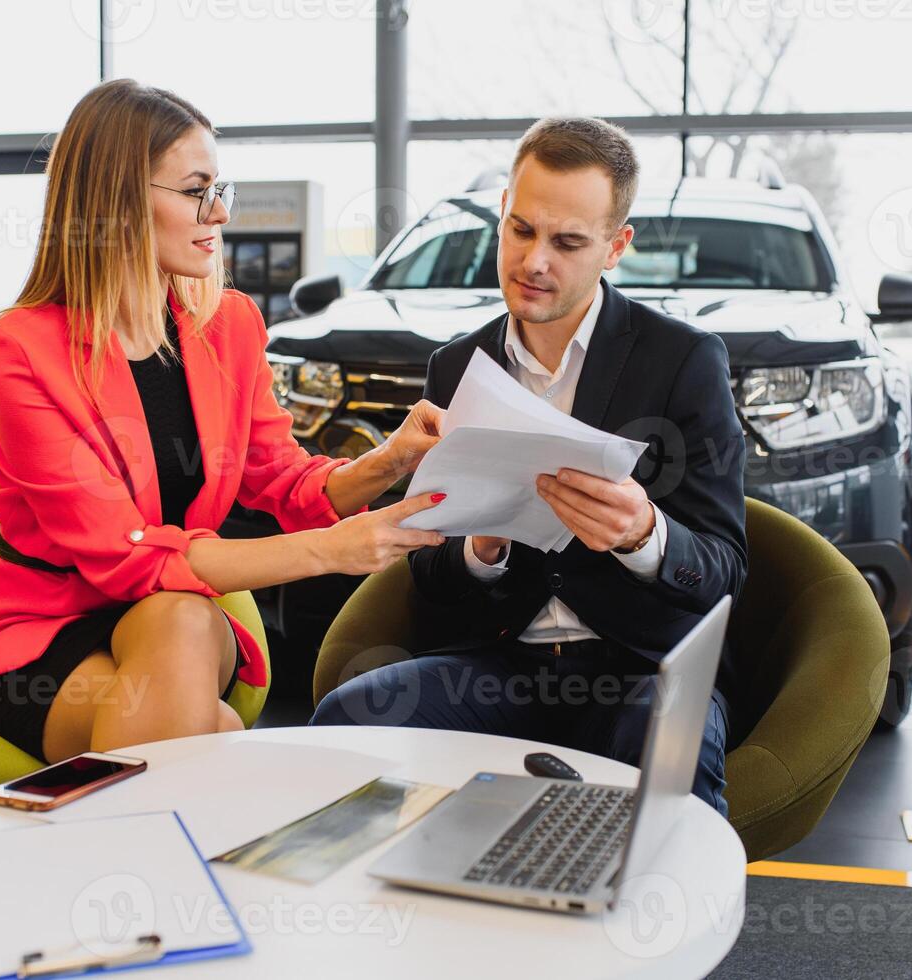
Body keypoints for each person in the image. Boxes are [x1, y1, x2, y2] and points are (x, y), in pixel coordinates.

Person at [0, 79, 447, 764]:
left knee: (177, 629)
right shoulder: (22, 349)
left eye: (219, 188)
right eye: (197, 190)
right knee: (213, 735)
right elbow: (124, 557)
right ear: (115, 202)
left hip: (181, 619)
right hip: (40, 634)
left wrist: (392, 461)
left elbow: (280, 481)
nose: (221, 212)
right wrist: (332, 550)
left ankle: (106, 868)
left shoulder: (227, 325)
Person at [310, 117, 747, 817]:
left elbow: (724, 568)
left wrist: (644, 534)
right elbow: (427, 566)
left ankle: (662, 922)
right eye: (520, 230)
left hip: (637, 672)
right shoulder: (455, 366)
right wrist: (480, 549)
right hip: (500, 667)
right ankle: (377, 919)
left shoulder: (683, 362)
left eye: (567, 242)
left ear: (615, 247)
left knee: (665, 748)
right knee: (347, 717)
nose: (533, 261)